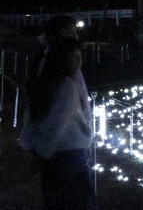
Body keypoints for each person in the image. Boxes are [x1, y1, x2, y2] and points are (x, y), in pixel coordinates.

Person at [20, 37, 96, 210]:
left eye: (80, 55)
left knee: (57, 201)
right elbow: (56, 123)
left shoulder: (46, 83)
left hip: (54, 155)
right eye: (73, 56)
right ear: (61, 58)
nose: (79, 60)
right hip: (68, 154)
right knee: (77, 202)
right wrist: (42, 155)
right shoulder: (67, 85)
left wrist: (37, 150)